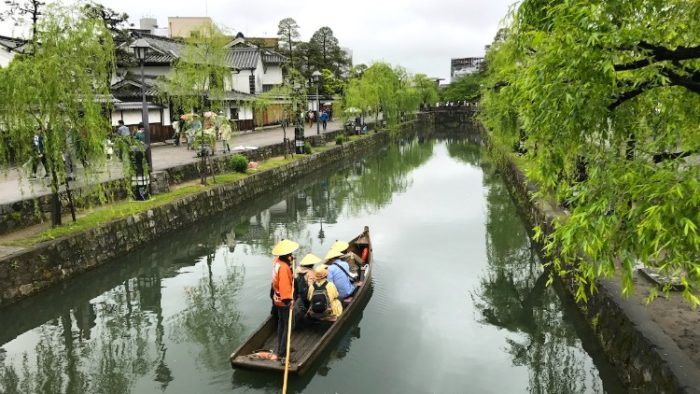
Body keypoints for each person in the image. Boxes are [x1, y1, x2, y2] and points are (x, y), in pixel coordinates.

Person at [271, 239, 299, 361]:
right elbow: (284, 289)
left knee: (281, 323)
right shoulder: (283, 268)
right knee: (288, 325)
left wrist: (290, 260)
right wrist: (290, 302)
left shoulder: (277, 261)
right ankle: (282, 353)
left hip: (276, 299)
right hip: (283, 301)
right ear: (286, 255)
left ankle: (282, 348)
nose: (291, 255)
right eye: (290, 254)